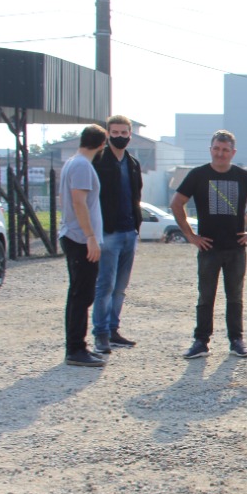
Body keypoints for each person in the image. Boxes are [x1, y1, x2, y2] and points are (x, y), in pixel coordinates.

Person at [170, 130, 247, 359]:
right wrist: (190, 235)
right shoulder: (197, 175)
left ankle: (236, 340)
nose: (220, 154)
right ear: (211, 149)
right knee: (205, 297)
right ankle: (201, 341)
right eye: (216, 149)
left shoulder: (243, 177)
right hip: (208, 248)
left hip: (235, 248)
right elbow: (177, 204)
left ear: (232, 152)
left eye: (225, 150)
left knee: (235, 296)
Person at [90, 114, 144, 355]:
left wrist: (136, 226)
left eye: (124, 133)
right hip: (108, 232)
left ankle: (113, 329)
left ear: (130, 135)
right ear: (107, 133)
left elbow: (136, 196)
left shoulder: (132, 163)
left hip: (129, 232)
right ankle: (100, 333)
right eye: (115, 132)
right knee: (105, 285)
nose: (119, 137)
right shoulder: (98, 161)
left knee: (120, 287)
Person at [58, 125, 109, 367]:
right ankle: (75, 348)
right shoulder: (81, 166)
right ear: (102, 144)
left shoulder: (73, 162)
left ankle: (77, 346)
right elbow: (79, 201)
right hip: (80, 239)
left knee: (78, 293)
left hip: (75, 236)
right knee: (82, 294)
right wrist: (90, 237)